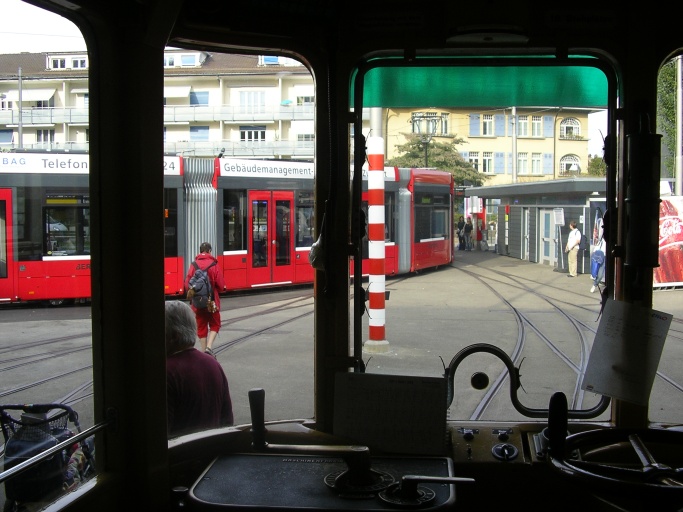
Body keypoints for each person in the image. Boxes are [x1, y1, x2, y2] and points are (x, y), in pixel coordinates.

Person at [165, 300, 234, 437]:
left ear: (174, 336)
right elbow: (227, 421)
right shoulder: (212, 364)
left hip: (182, 456)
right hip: (211, 453)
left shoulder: (167, 372)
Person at [185, 242, 226, 356]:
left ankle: (203, 352)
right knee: (215, 323)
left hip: (198, 303)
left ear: (200, 251)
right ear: (209, 251)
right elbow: (221, 285)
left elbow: (187, 283)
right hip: (211, 301)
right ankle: (209, 347)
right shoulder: (214, 264)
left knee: (201, 326)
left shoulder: (194, 265)